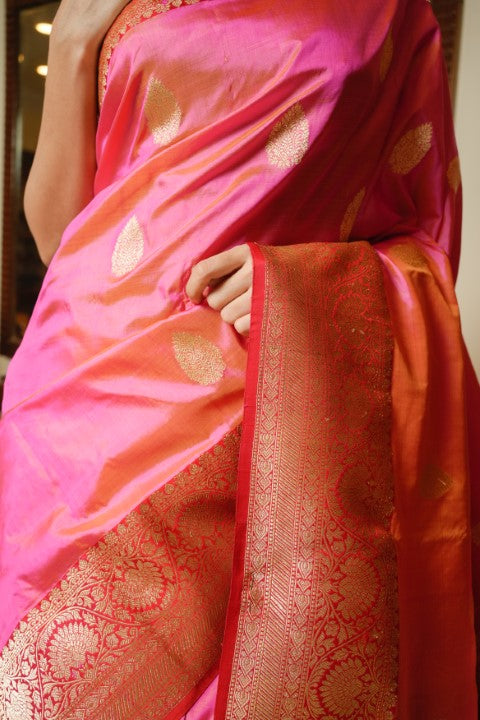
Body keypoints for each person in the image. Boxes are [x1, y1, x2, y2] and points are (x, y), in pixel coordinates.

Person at [0, 0, 479, 717]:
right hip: (74, 407)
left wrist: (309, 289)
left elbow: (425, 228)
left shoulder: (391, 12)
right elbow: (56, 236)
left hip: (271, 418)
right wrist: (71, 43)